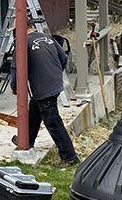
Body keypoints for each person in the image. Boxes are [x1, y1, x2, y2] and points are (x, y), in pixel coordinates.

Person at [11, 15, 79, 167]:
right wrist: (53, 73)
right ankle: (27, 141)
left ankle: (69, 157)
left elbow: (16, 68)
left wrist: (14, 86)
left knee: (53, 122)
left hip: (44, 87)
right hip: (54, 83)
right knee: (34, 112)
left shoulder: (22, 43)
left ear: (18, 29)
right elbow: (63, 57)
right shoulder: (46, 38)